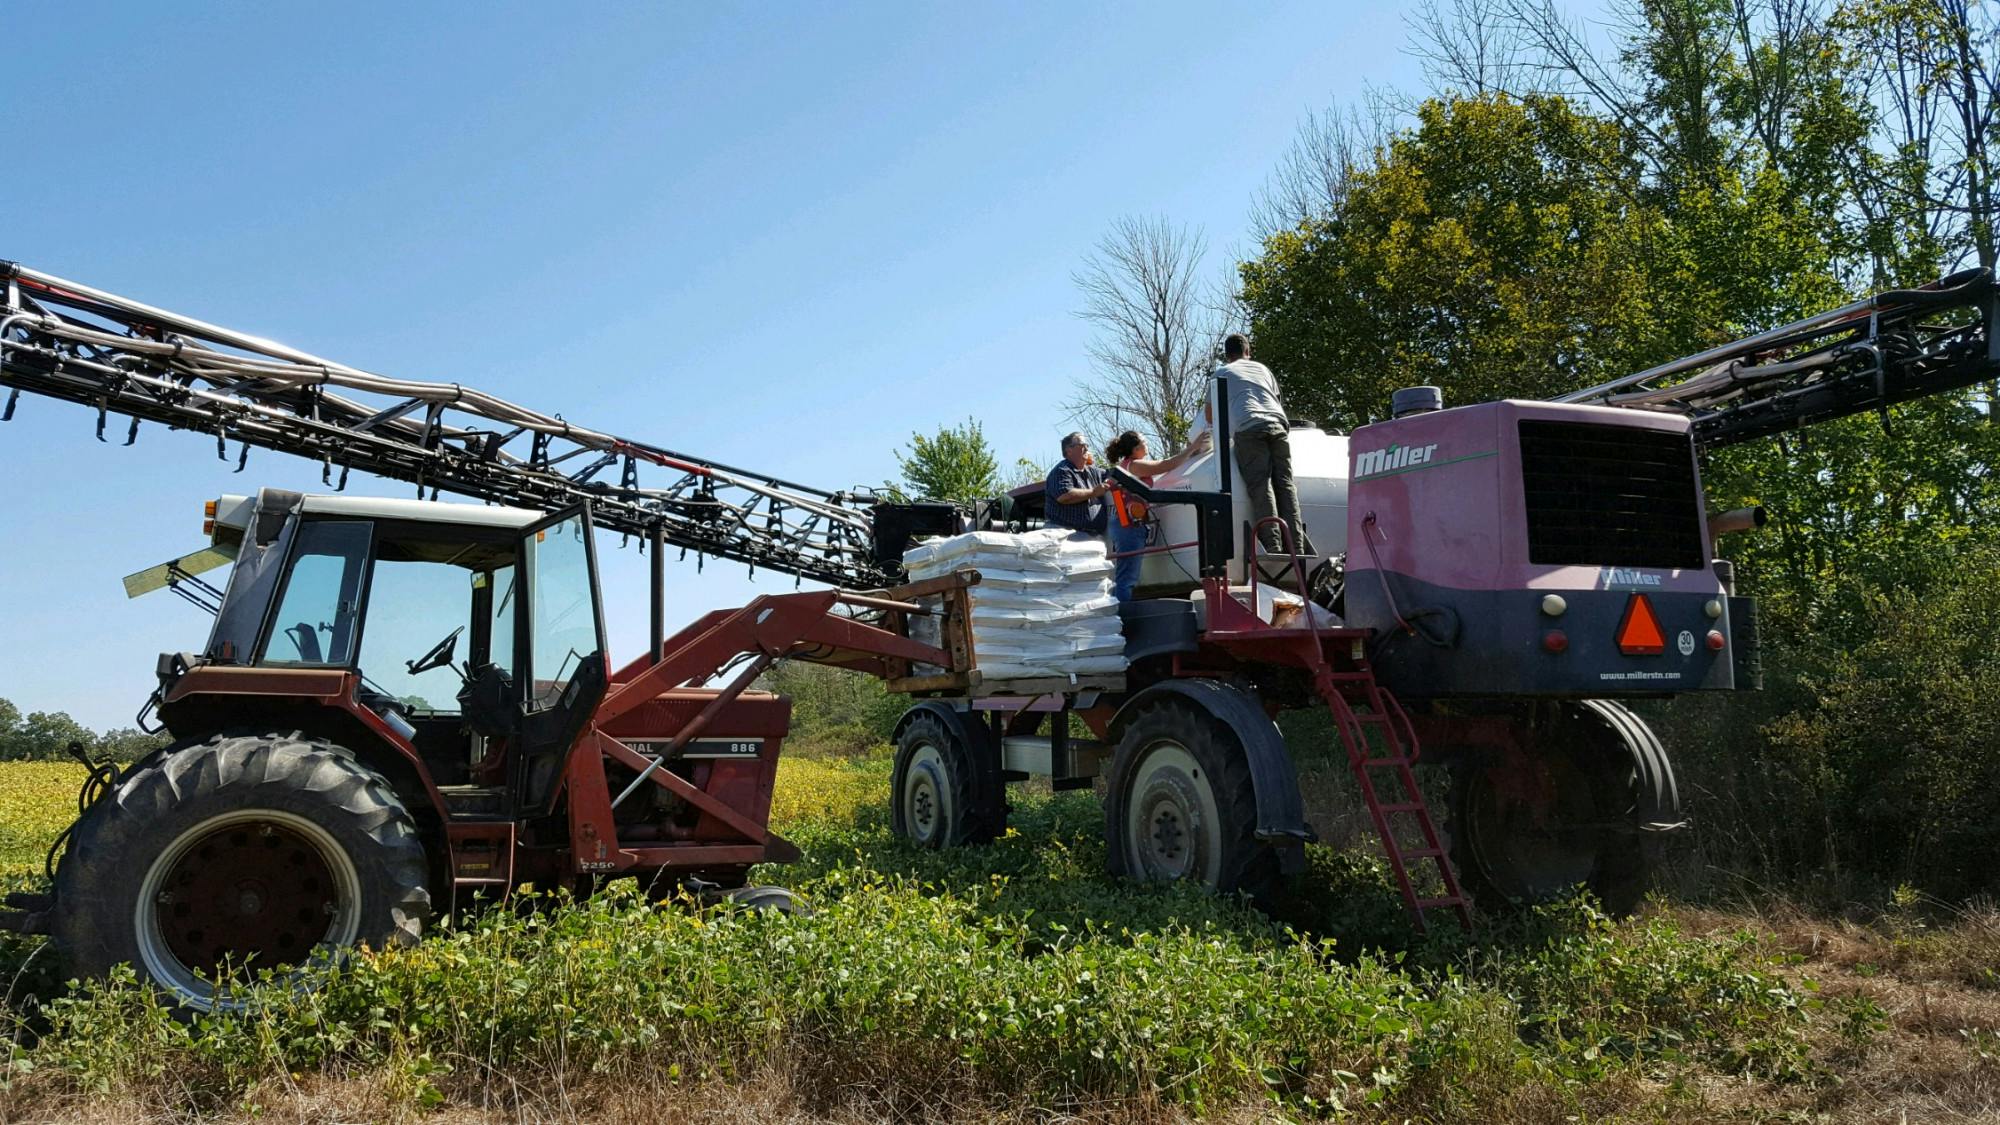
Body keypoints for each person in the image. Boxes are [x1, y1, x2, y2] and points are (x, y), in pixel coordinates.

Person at [1213, 333, 1313, 558]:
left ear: (1227, 355)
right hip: (1278, 425)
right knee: (1286, 485)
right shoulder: (1263, 369)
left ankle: (1273, 545)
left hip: (1250, 427)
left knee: (1261, 484)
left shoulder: (1222, 372)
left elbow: (1212, 415)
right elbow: (1276, 399)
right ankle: (1296, 545)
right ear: (1248, 352)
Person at [1103, 428, 1211, 600]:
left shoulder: (1127, 465)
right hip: (1129, 525)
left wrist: (1189, 452)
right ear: (1135, 448)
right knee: (1127, 578)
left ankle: (1120, 613)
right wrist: (1192, 448)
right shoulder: (1135, 465)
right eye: (1143, 441)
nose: (1147, 445)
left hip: (1126, 523)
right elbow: (1165, 465)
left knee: (1126, 575)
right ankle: (1121, 617)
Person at [1043, 431, 1109, 535]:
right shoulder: (1062, 470)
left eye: (1087, 445)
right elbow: (1065, 496)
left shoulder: (1094, 472)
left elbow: (1113, 475)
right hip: (1064, 536)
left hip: (1091, 537)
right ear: (1069, 450)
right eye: (1082, 445)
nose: (1087, 448)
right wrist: (1094, 492)